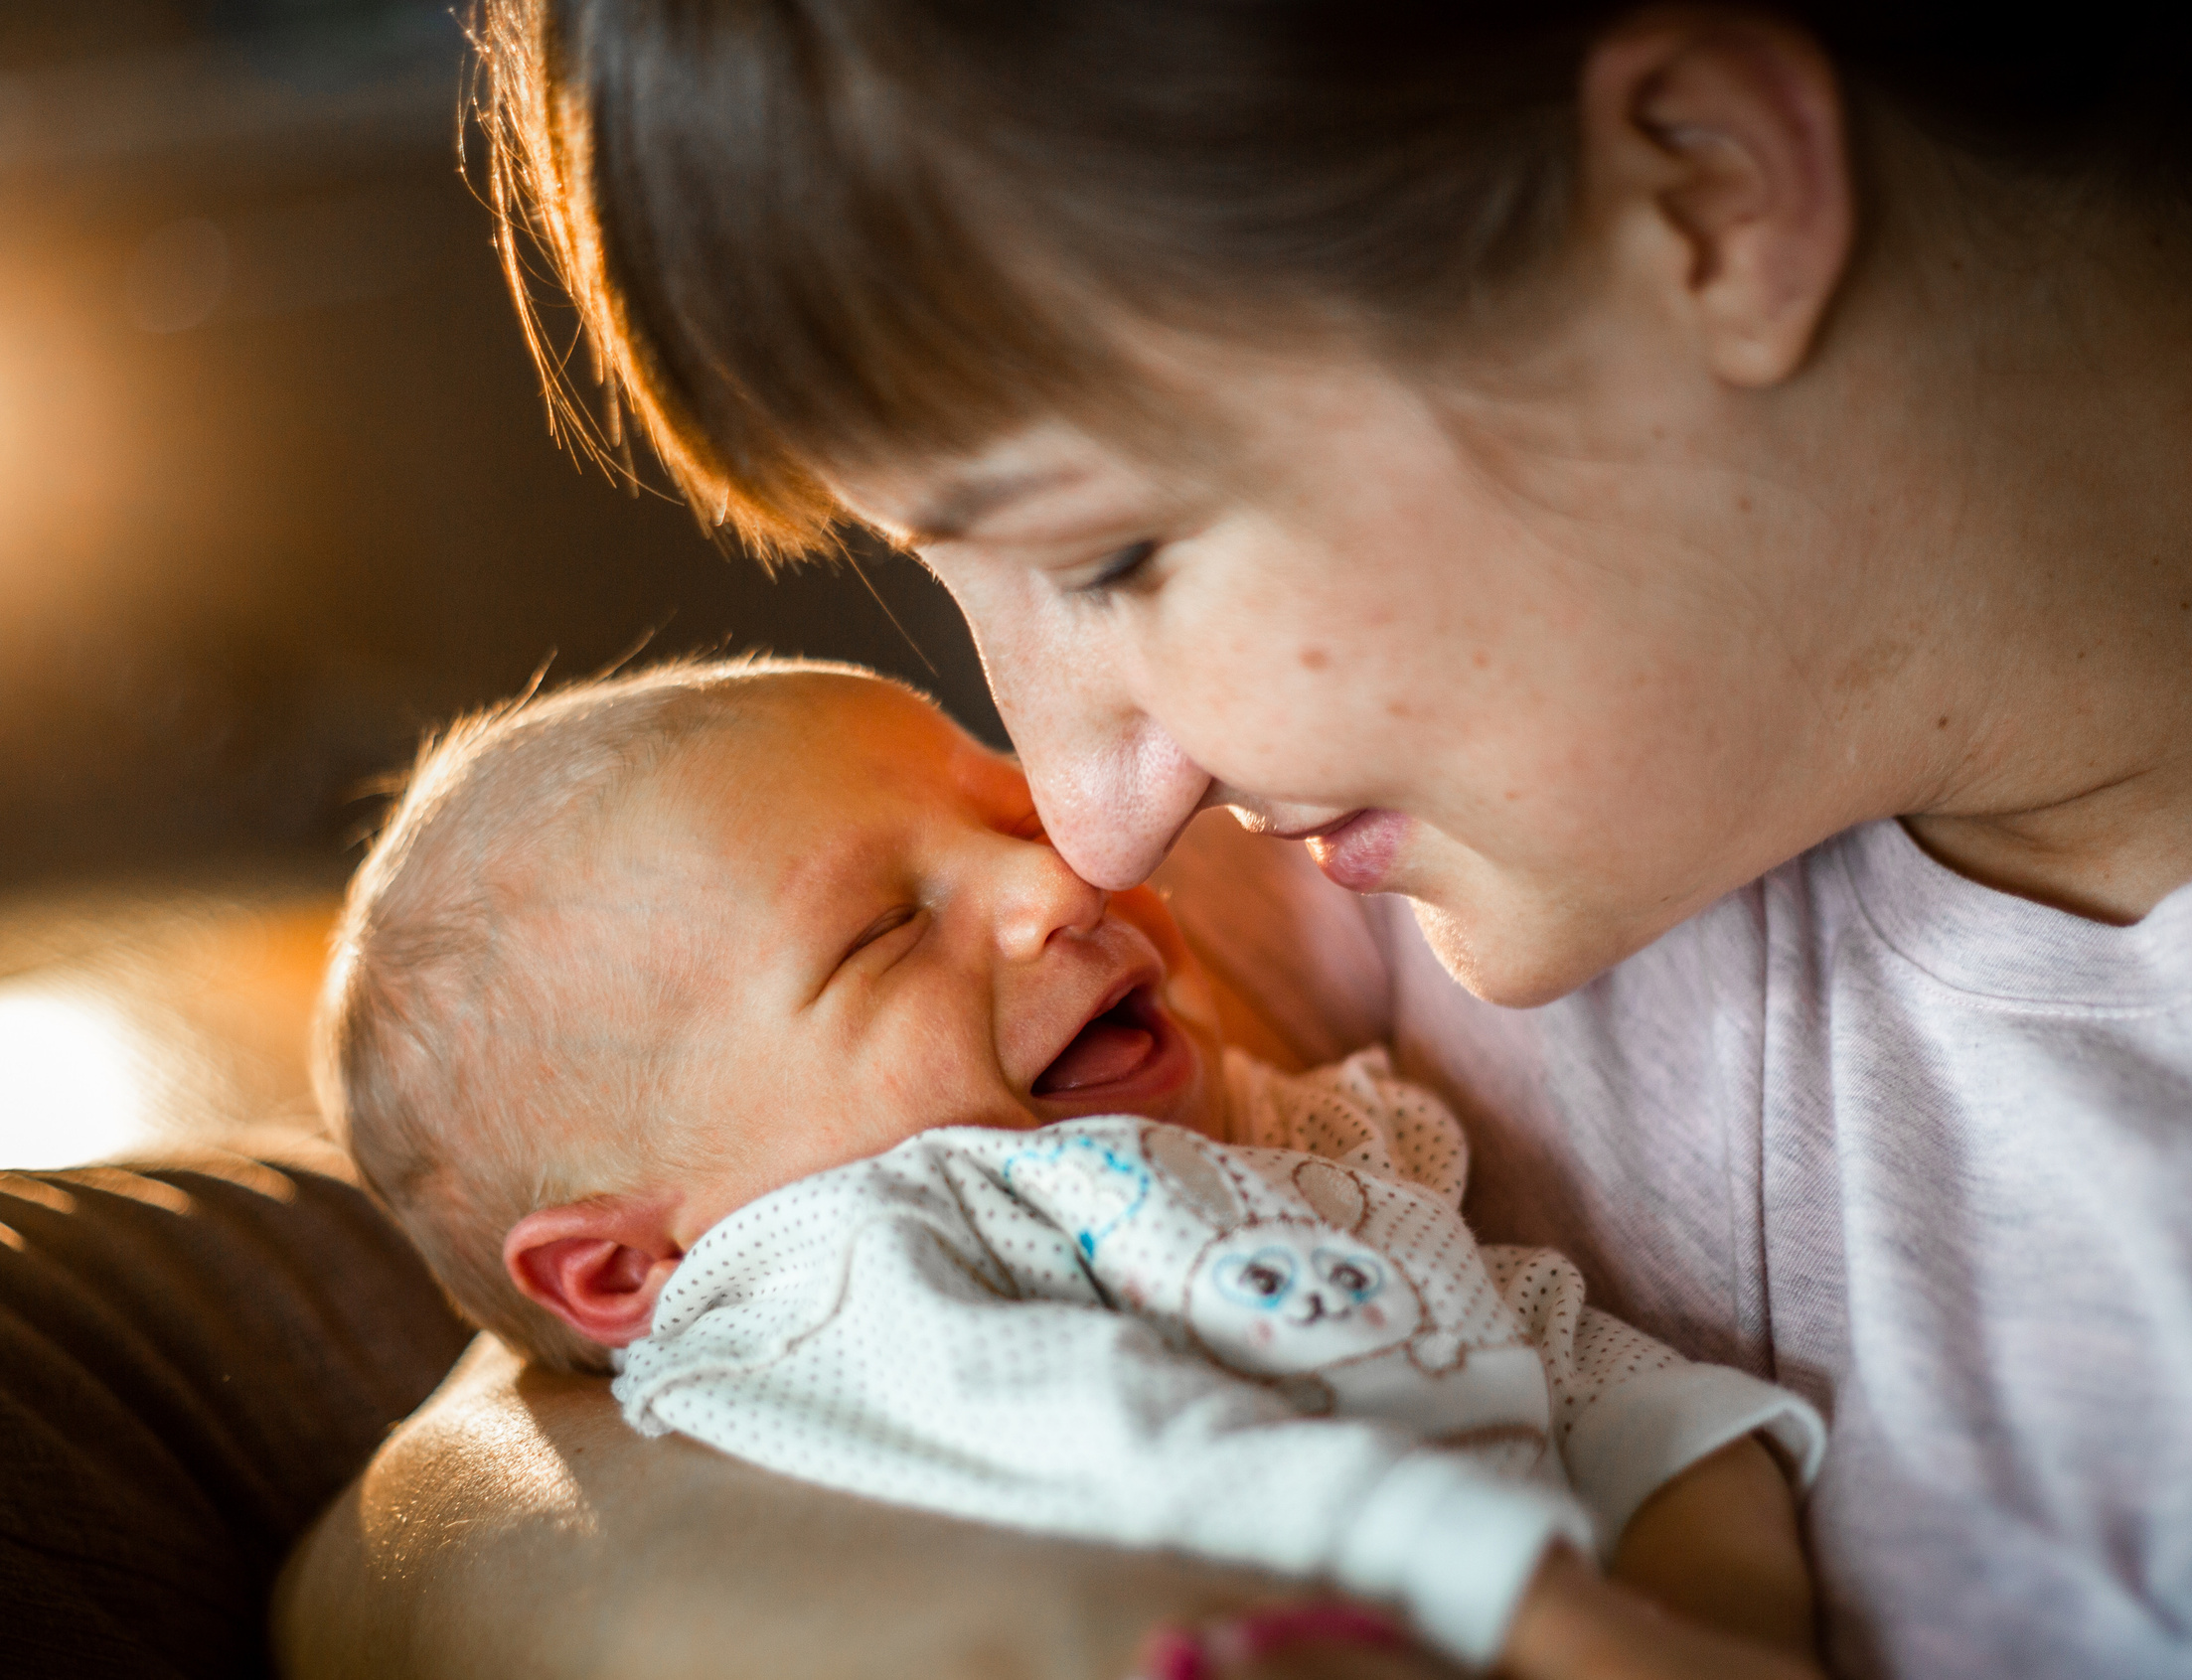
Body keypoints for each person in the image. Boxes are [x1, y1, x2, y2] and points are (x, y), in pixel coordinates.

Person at [278, 0, 2192, 1677]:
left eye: (1111, 553)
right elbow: (446, 1512)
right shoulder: (1297, 900)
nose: (1086, 811)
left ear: (1705, 191)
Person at [313, 657, 1826, 1676]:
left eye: (1011, 818)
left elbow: (1543, 1341)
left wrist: (1713, 1552)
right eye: (885, 930)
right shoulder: (831, 1268)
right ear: (628, 1269)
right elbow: (1122, 1438)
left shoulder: (1284, 1125)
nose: (1063, 878)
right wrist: (1546, 1603)